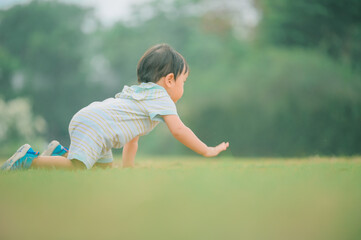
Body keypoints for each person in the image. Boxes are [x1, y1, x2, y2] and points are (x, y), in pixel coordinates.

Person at [1, 44, 229, 171]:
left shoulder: (142, 94)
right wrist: (206, 149)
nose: (183, 87)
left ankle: (60, 154)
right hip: (96, 127)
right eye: (184, 82)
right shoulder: (161, 98)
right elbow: (179, 130)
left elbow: (133, 138)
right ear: (170, 80)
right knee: (79, 168)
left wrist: (127, 168)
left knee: (103, 170)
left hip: (93, 120)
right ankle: (28, 161)